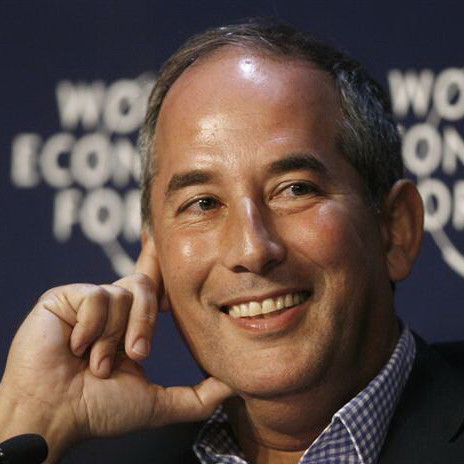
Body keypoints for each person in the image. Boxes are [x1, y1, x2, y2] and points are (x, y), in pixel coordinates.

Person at [1, 20, 463, 464]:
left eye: (295, 189)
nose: (251, 250)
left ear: (396, 229)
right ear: (155, 260)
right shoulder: (75, 454)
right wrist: (30, 418)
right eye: (203, 203)